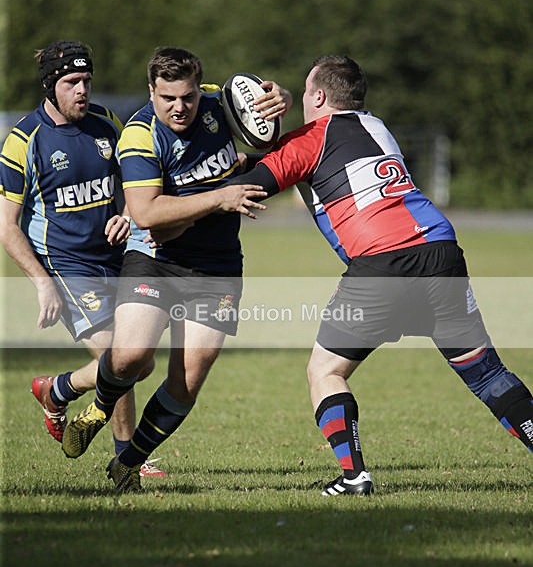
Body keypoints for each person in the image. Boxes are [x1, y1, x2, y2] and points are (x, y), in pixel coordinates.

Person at [224, 53, 532, 496]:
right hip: (440, 249)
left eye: (306, 92)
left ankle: (354, 476)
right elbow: (299, 151)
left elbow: (255, 181)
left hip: (384, 262)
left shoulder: (314, 138)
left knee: (325, 372)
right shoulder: (375, 126)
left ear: (319, 96)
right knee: (484, 372)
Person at [61, 46, 290, 491]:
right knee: (130, 356)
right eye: (167, 99)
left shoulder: (214, 103)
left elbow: (261, 111)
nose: (179, 108)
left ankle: (128, 461)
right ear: (151, 92)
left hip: (217, 264)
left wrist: (280, 97)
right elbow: (145, 213)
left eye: (186, 97)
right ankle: (100, 405)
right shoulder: (140, 136)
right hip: (156, 258)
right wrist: (221, 197)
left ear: (198, 88)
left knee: (188, 379)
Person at [0, 41, 165, 473]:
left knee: (140, 361)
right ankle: (127, 458)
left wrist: (129, 214)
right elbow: (6, 225)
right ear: (51, 86)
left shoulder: (107, 124)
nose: (82, 90)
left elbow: (137, 186)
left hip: (116, 259)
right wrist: (41, 283)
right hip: (67, 268)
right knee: (117, 354)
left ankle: (56, 390)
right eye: (71, 82)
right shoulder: (24, 141)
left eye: (86, 81)